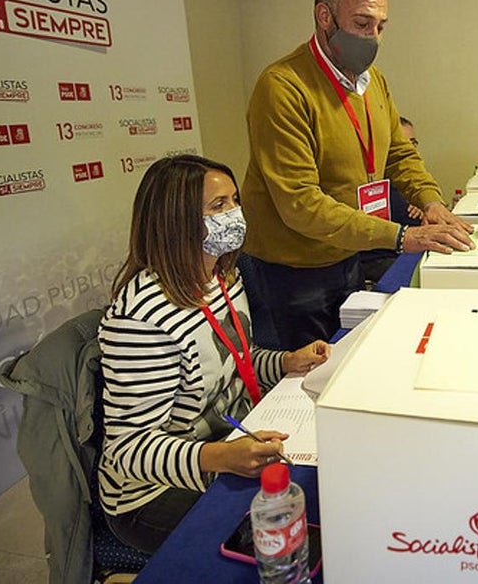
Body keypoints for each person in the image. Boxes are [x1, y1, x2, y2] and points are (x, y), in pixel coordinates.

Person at [98, 155, 330, 554]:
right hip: (153, 494)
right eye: (219, 206)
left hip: (229, 441)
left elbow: (234, 361)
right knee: (289, 542)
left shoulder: (222, 277)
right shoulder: (141, 318)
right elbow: (128, 449)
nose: (235, 214)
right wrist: (223, 456)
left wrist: (285, 361)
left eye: (235, 201)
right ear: (178, 222)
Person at [242, 0, 473, 349]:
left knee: (348, 356)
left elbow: (399, 153)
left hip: (349, 254)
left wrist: (430, 201)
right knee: (304, 387)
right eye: (363, 24)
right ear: (324, 16)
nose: (374, 38)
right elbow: (300, 203)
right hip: (294, 271)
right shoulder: (283, 86)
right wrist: (401, 236)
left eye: (381, 27)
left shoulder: (373, 81)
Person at [359, 116, 425, 284]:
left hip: (405, 249)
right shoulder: (372, 183)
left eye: (413, 143)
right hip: (378, 258)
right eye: (403, 144)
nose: (409, 150)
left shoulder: (410, 179)